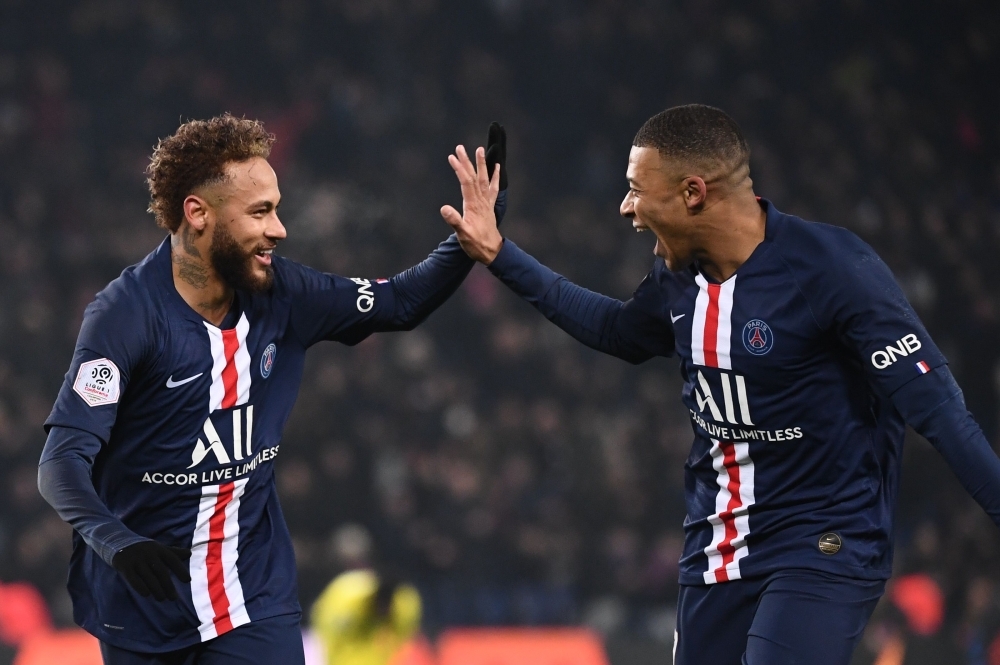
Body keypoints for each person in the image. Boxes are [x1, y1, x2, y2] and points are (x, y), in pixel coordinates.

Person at [439, 104, 1000, 665]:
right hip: (716, 548)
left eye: (637, 189)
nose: (626, 207)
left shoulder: (833, 270)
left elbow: (942, 414)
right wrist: (498, 253)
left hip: (824, 542)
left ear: (693, 193)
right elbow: (617, 331)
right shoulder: (677, 280)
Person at [38, 115, 506, 664]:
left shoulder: (284, 293)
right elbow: (61, 462)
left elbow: (399, 302)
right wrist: (117, 542)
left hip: (253, 599)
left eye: (276, 209)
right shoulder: (125, 318)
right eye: (260, 212)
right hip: (140, 603)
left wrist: (471, 236)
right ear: (198, 214)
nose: (279, 229)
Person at [310, 568, 428, 665]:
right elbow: (327, 628)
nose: (382, 611)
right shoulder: (347, 597)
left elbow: (405, 634)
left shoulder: (404, 604)